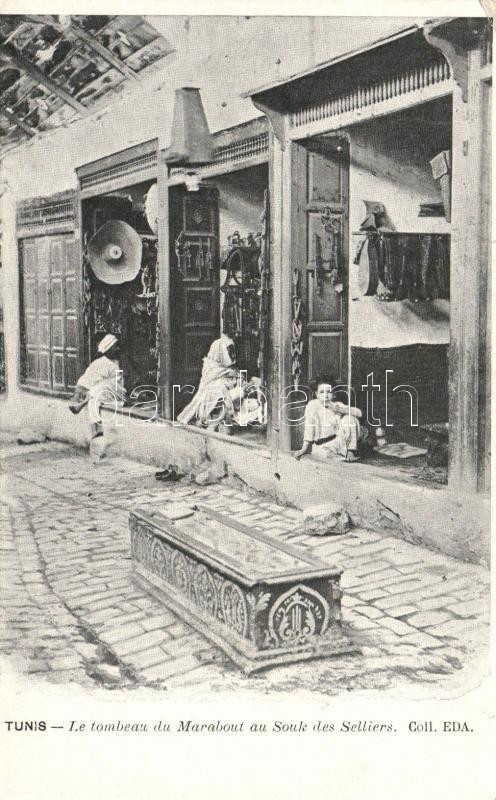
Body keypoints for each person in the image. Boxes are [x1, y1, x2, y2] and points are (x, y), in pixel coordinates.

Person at [177, 334, 262, 431]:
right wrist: (238, 390)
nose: (233, 355)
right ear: (221, 352)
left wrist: (246, 385)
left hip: (235, 405)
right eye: (229, 352)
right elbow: (216, 394)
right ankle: (214, 424)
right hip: (215, 407)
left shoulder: (231, 369)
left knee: (256, 404)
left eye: (233, 352)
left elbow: (241, 383)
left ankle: (225, 422)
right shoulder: (213, 370)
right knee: (229, 392)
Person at [294, 376, 363, 462]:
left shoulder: (336, 404)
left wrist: (338, 409)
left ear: (334, 394)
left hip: (338, 442)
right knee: (324, 455)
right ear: (317, 394)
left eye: (329, 392)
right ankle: (341, 458)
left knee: (350, 418)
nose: (326, 396)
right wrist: (304, 448)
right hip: (321, 446)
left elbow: (359, 413)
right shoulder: (313, 405)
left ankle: (351, 451)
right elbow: (309, 428)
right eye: (322, 392)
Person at [69, 333, 125, 439]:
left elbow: (119, 382)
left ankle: (81, 403)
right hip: (104, 393)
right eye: (114, 347)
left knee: (99, 388)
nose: (117, 349)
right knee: (94, 398)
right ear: (108, 349)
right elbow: (87, 378)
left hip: (119, 392)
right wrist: (78, 394)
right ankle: (97, 429)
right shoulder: (102, 363)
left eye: (117, 347)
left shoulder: (117, 361)